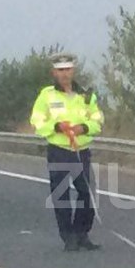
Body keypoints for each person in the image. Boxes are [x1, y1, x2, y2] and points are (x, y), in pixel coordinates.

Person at [29, 54, 105, 252]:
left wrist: (84, 128)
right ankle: (68, 236)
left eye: (68, 69)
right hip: (59, 150)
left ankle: (82, 233)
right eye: (60, 70)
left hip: (81, 150)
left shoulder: (86, 96)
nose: (64, 74)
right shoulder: (47, 95)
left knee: (86, 194)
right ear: (54, 72)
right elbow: (36, 121)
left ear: (73, 71)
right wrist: (55, 126)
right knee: (61, 194)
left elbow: (98, 121)